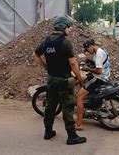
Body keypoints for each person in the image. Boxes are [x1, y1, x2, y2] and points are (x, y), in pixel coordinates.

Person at [33, 16, 87, 145]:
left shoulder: (46, 41)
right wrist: (79, 78)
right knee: (67, 107)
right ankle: (72, 136)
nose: (70, 29)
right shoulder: (65, 42)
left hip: (51, 79)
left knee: (50, 106)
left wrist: (46, 66)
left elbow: (35, 54)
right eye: (69, 27)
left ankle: (48, 131)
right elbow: (73, 63)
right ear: (63, 27)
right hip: (64, 79)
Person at [76, 38, 111, 130]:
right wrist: (87, 60)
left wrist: (87, 68)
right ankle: (86, 105)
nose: (87, 51)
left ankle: (79, 124)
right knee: (83, 80)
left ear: (90, 46)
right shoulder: (100, 51)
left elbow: (99, 71)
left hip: (99, 78)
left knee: (79, 97)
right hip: (104, 76)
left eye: (87, 49)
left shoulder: (98, 54)